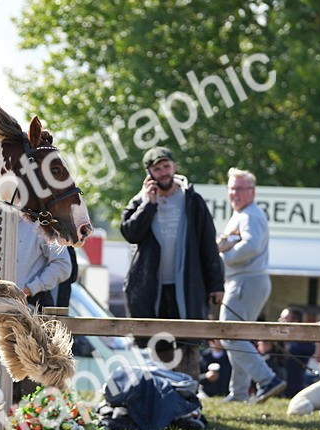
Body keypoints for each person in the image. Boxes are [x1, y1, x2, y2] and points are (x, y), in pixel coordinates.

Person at [120, 147, 224, 379]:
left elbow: (208, 244)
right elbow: (130, 233)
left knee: (187, 342)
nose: (163, 172)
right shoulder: (140, 201)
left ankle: (188, 397)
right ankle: (160, 394)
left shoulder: (193, 201)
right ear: (149, 174)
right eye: (157, 169)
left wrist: (216, 284)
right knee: (156, 343)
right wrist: (149, 204)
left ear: (174, 167)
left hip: (186, 285)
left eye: (166, 166)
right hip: (150, 287)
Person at [0, 212, 72, 399]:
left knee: (34, 370)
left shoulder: (41, 223)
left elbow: (63, 266)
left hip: (33, 304)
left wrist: (28, 289)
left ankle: (30, 416)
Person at [217, 168, 285, 403]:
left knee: (229, 334)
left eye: (240, 188)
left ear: (252, 191)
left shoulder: (249, 215)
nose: (234, 193)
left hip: (246, 280)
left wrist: (223, 257)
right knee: (238, 336)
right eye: (231, 188)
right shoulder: (245, 214)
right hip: (248, 281)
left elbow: (252, 245)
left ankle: (267, 380)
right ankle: (238, 394)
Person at [257, 307, 320, 397]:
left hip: (294, 389)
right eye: (280, 318)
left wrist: (318, 337)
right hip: (275, 389)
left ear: (295, 321)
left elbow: (319, 358)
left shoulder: (303, 342)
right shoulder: (276, 339)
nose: (279, 321)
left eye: (284, 319)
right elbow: (262, 350)